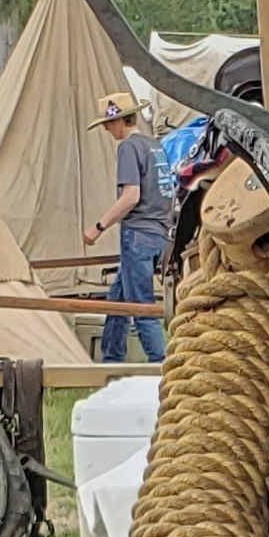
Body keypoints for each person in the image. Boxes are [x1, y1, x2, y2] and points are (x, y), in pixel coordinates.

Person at [81, 88, 171, 362]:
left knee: (141, 307)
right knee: (118, 297)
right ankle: (111, 357)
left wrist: (98, 226)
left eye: (108, 123)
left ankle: (160, 364)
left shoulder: (128, 148)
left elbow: (131, 196)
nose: (107, 129)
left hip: (138, 234)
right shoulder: (154, 146)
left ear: (119, 120)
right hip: (159, 233)